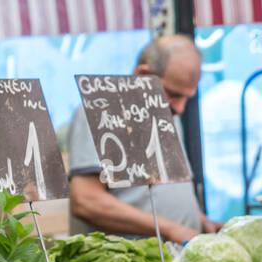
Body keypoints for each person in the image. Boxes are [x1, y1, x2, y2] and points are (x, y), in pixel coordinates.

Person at [66, 34, 219, 240]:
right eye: (173, 94)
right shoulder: (101, 111)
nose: (180, 108)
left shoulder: (166, 112)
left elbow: (159, 193)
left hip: (179, 258)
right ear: (142, 74)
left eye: (187, 98)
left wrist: (198, 219)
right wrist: (171, 229)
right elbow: (86, 201)